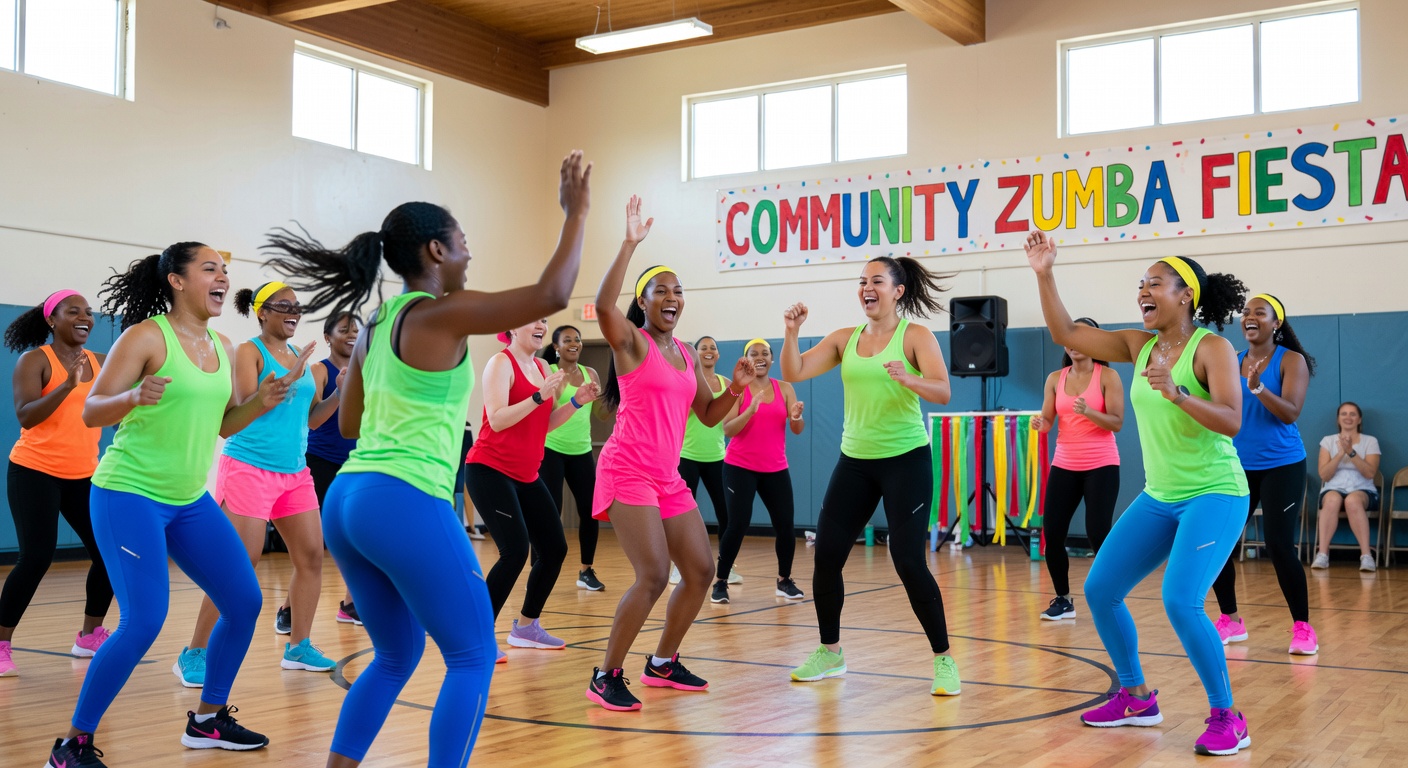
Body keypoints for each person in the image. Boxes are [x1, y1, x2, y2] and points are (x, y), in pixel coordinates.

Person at [262, 150, 591, 767]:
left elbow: (351, 424)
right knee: (472, 656)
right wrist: (575, 213)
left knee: (396, 656)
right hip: (404, 496)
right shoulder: (442, 311)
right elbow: (552, 292)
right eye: (463, 243)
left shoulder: (375, 322)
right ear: (437, 251)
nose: (469, 254)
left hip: (349, 499)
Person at [45, 244, 299, 768]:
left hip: (187, 499)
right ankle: (71, 746)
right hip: (128, 493)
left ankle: (207, 720)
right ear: (177, 281)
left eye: (225, 271)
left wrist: (262, 401)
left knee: (244, 602)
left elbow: (224, 425)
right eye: (210, 269)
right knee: (144, 620)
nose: (222, 277)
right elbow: (92, 411)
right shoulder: (146, 337)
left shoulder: (222, 345)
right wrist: (131, 397)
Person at [1027, 231, 1253, 757]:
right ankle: (1135, 698)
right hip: (1161, 496)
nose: (1143, 292)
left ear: (1185, 295)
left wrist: (1177, 392)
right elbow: (1066, 332)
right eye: (1141, 285)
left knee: (1181, 600)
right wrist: (1045, 273)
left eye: (1155, 283)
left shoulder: (1211, 348)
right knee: (1101, 589)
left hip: (1216, 493)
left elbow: (1232, 421)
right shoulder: (1138, 344)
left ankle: (1228, 717)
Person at [584, 196, 754, 712]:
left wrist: (735, 387)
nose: (672, 297)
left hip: (666, 476)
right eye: (661, 290)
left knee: (701, 570)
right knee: (654, 574)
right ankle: (605, 675)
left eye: (678, 290)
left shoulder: (684, 353)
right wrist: (629, 244)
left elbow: (708, 414)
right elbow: (603, 307)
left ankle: (662, 662)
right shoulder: (632, 342)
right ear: (644, 301)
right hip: (627, 470)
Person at [780, 255, 961, 698]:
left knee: (908, 560)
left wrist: (910, 379)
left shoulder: (915, 337)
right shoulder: (844, 338)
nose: (867, 288)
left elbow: (943, 391)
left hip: (906, 460)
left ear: (897, 291)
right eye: (862, 281)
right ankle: (830, 652)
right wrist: (791, 332)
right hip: (855, 461)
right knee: (827, 556)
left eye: (876, 281)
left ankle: (944, 659)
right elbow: (793, 371)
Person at [174, 282, 341, 687]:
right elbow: (244, 409)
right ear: (261, 312)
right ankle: (194, 652)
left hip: (294, 472)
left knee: (311, 557)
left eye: (296, 306)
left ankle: (298, 646)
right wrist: (285, 381)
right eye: (283, 305)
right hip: (249, 467)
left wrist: (343, 389)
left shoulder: (300, 357)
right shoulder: (249, 352)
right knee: (239, 563)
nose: (293, 311)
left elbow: (312, 419)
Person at [465, 320, 599, 661]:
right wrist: (539, 395)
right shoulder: (500, 363)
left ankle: (526, 627)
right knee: (514, 551)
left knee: (554, 549)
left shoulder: (541, 368)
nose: (541, 325)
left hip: (526, 474)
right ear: (512, 328)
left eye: (544, 320)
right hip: (489, 469)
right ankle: (477, 637)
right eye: (534, 320)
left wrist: (576, 402)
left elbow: (544, 424)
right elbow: (497, 419)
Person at [2, 291, 112, 678]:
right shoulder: (35, 360)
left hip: (84, 474)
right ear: (52, 319)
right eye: (74, 311)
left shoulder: (101, 362)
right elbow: (26, 416)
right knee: (36, 557)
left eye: (88, 312)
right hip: (34, 470)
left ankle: (89, 636)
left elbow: (114, 407)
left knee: (108, 555)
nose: (85, 317)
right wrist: (66, 386)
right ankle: (1, 643)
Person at [1209, 294, 1317, 653]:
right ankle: (1230, 620)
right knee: (1219, 542)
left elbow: (1290, 413)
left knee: (1279, 545)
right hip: (1236, 466)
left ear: (1276, 323)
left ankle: (1303, 628)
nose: (1249, 317)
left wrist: (1258, 387)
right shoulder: (1232, 360)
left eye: (1260, 312)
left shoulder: (1292, 361)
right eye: (1245, 312)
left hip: (1282, 465)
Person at [1030, 318, 1123, 621]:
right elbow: (1048, 420)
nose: (1073, 343)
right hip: (1065, 463)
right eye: (1069, 336)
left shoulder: (1108, 376)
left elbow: (1117, 423)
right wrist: (1041, 423)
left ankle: (1110, 596)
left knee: (1098, 532)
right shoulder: (1055, 378)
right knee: (1053, 533)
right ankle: (1063, 599)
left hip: (1101, 464)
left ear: (1094, 342)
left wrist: (1090, 411)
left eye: (1081, 336)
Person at [711, 338, 805, 604]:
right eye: (754, 353)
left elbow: (797, 429)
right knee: (737, 524)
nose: (760, 357)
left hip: (775, 468)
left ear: (772, 359)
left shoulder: (785, 388)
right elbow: (728, 429)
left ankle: (784, 581)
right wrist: (750, 411)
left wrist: (796, 417)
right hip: (739, 467)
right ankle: (721, 582)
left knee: (785, 525)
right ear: (746, 360)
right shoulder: (738, 390)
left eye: (765, 353)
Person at [301, 311, 363, 625]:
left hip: (356, 464)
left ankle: (351, 606)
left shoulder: (366, 371)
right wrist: (340, 391)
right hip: (320, 463)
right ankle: (288, 609)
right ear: (328, 337)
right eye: (344, 329)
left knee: (359, 537)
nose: (352, 335)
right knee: (313, 546)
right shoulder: (318, 370)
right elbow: (312, 421)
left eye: (356, 330)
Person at [539, 324, 606, 591]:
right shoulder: (549, 372)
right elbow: (547, 413)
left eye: (577, 339)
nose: (574, 343)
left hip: (582, 452)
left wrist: (607, 398)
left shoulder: (591, 373)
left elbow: (601, 414)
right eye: (567, 340)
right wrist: (563, 390)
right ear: (556, 347)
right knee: (549, 511)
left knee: (590, 511)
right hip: (551, 449)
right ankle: (539, 568)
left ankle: (586, 571)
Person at [672, 335, 739, 586]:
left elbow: (728, 422)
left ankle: (726, 567)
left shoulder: (728, 384)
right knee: (680, 515)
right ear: (695, 354)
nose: (708, 351)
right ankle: (678, 566)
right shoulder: (688, 381)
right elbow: (680, 413)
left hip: (717, 458)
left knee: (727, 515)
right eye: (703, 347)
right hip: (687, 456)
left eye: (713, 348)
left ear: (718, 355)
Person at [1311, 402, 1381, 572]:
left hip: (1363, 490)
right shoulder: (1328, 441)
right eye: (1344, 414)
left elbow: (1370, 473)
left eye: (1352, 414)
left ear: (1359, 419)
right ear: (1338, 419)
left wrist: (1351, 451)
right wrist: (1340, 453)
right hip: (1333, 488)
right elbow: (1324, 475)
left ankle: (1366, 556)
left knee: (1352, 501)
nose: (1348, 417)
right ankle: (1322, 554)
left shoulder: (1370, 441)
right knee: (1332, 500)